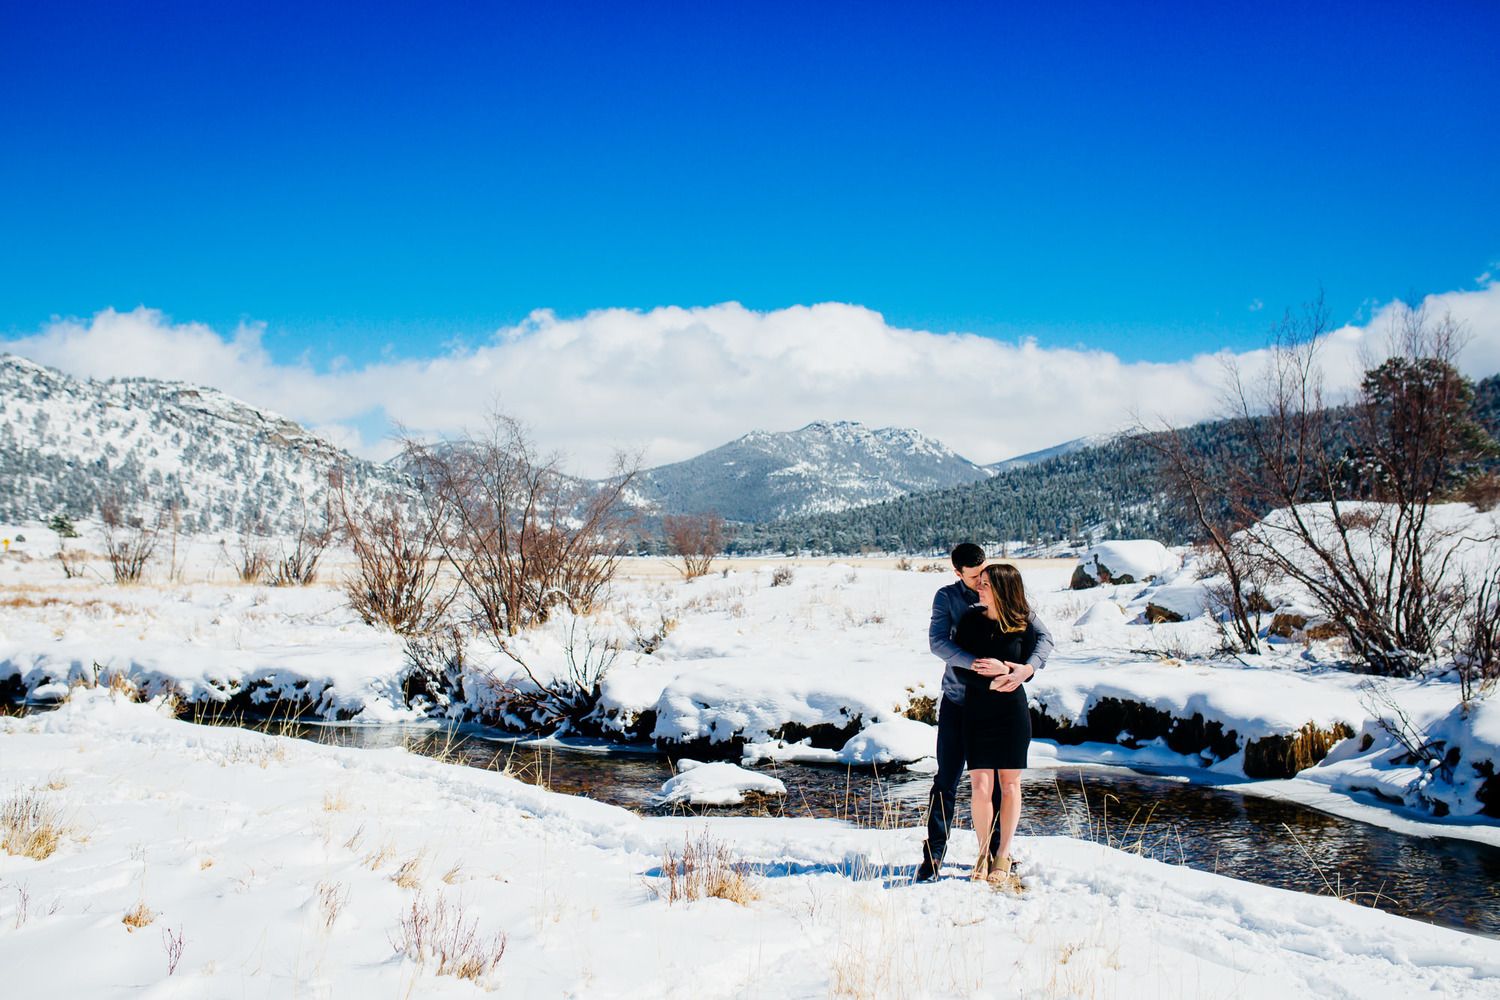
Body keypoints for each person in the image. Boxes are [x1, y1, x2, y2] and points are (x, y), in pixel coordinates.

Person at [915, 545, 1052, 882]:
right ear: (958, 573)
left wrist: (1024, 670)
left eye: (984, 575)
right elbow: (938, 643)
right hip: (959, 701)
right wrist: (979, 666)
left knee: (994, 784)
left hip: (998, 706)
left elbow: (1044, 638)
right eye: (974, 577)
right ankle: (934, 854)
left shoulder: (1004, 595)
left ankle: (995, 854)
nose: (980, 582)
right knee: (947, 778)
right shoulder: (948, 599)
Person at [953, 562, 1048, 880]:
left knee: (1009, 786)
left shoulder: (1023, 626)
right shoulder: (969, 621)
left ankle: (1003, 856)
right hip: (977, 710)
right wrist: (993, 680)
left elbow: (1029, 665)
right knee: (980, 788)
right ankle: (982, 854)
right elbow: (959, 667)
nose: (978, 587)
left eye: (985, 584)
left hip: (1012, 713)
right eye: (978, 582)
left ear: (1004, 589)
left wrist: (1008, 672)